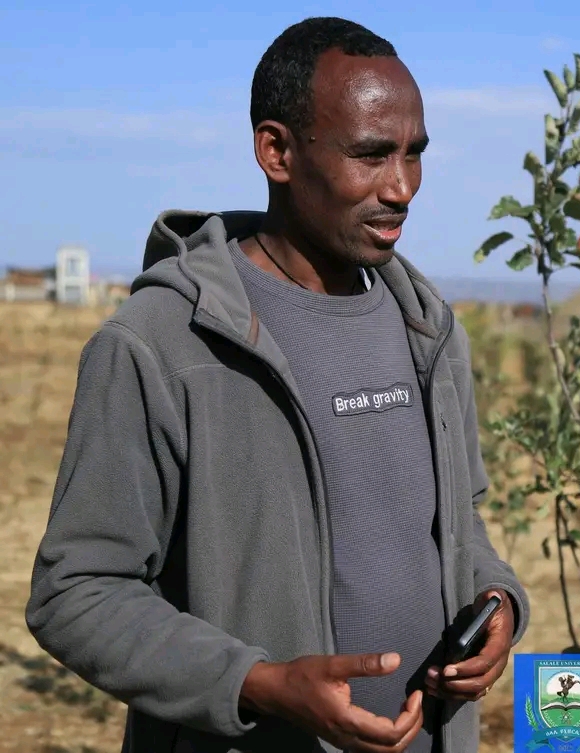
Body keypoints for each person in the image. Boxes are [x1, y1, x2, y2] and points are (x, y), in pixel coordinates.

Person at [24, 16, 529, 753]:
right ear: (277, 151)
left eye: (414, 155)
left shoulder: (427, 328)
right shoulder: (162, 343)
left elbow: (457, 530)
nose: (401, 187)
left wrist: (498, 601)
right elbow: (76, 592)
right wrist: (258, 683)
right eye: (370, 154)